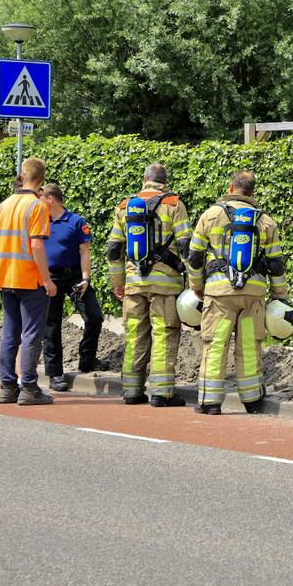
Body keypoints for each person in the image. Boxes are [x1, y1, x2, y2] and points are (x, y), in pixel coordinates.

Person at [188, 170, 288, 415]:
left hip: (219, 294)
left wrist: (196, 286)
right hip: (253, 294)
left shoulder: (211, 215)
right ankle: (252, 400)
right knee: (249, 346)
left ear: (231, 187)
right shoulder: (266, 221)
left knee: (216, 344)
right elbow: (276, 263)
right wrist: (279, 295)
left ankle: (210, 402)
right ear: (253, 192)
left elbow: (195, 256)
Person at [107, 163, 192, 406]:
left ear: (145, 179)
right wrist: (194, 280)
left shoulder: (124, 206)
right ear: (165, 182)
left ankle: (131, 390)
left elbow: (114, 249)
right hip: (165, 286)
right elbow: (186, 246)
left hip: (134, 283)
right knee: (164, 333)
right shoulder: (174, 204)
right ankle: (162, 393)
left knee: (135, 335)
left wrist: (118, 282)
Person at [0, 157, 57, 405]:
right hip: (29, 280)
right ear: (42, 179)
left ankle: (7, 387)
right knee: (31, 335)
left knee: (10, 333)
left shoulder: (3, 205)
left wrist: (0, 265)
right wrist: (47, 280)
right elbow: (37, 245)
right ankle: (29, 387)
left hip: (5, 277)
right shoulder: (37, 206)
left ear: (22, 176)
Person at [40, 183, 103, 391]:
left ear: (50, 199)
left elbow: (85, 252)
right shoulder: (39, 222)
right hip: (50, 278)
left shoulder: (76, 222)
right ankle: (55, 374)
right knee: (51, 325)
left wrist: (86, 278)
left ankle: (87, 360)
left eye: (41, 198)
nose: (38, 202)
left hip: (75, 276)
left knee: (94, 316)